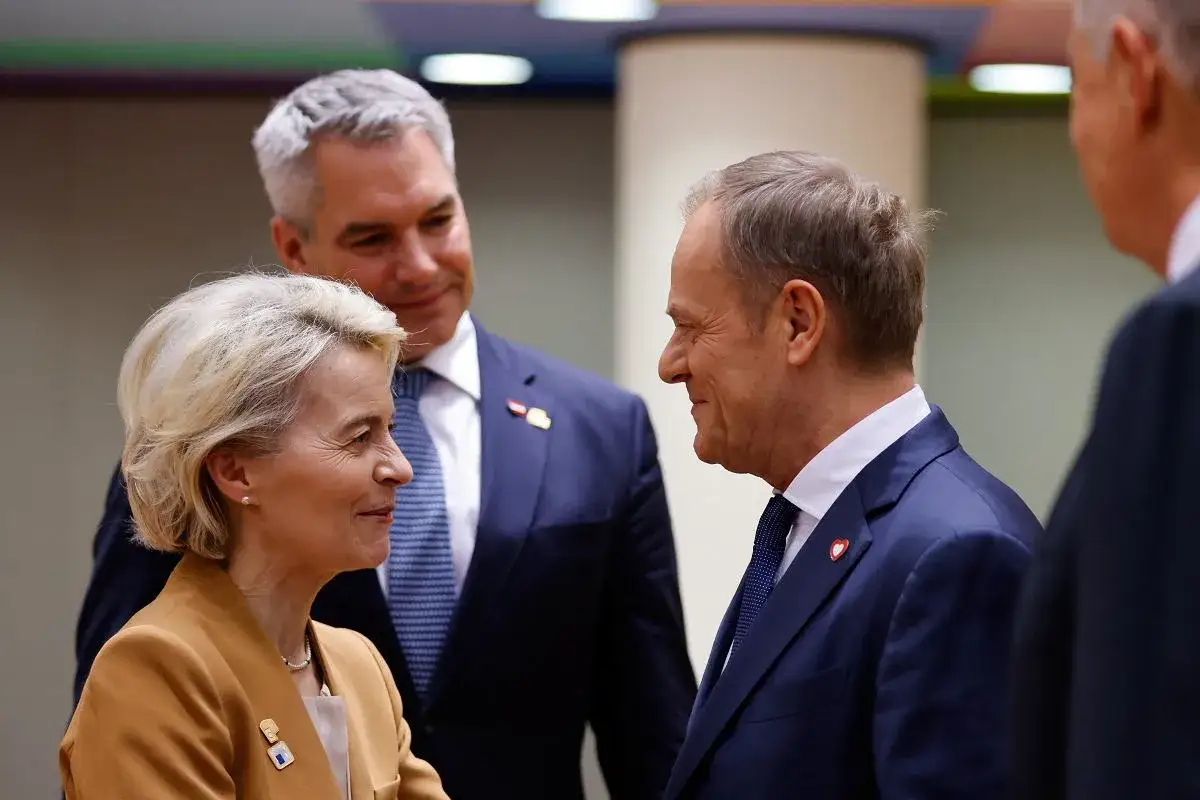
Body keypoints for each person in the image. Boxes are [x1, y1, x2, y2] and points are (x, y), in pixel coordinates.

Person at [71, 69, 696, 800]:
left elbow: (652, 729)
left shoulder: (602, 430)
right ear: (293, 247)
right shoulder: (201, 444)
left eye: (439, 220)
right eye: (372, 237)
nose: (420, 264)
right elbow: (115, 727)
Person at [656, 151, 1042, 800]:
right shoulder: (807, 527)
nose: (670, 365)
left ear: (799, 322)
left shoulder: (957, 555)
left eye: (691, 328)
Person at [62, 272, 448, 799]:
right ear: (237, 473)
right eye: (359, 437)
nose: (399, 468)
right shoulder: (157, 668)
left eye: (391, 431)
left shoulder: (360, 666)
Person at [1009, 1, 1200, 797]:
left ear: (1135, 69)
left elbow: (1144, 740)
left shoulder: (1177, 347)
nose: (1075, 132)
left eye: (1075, 86)